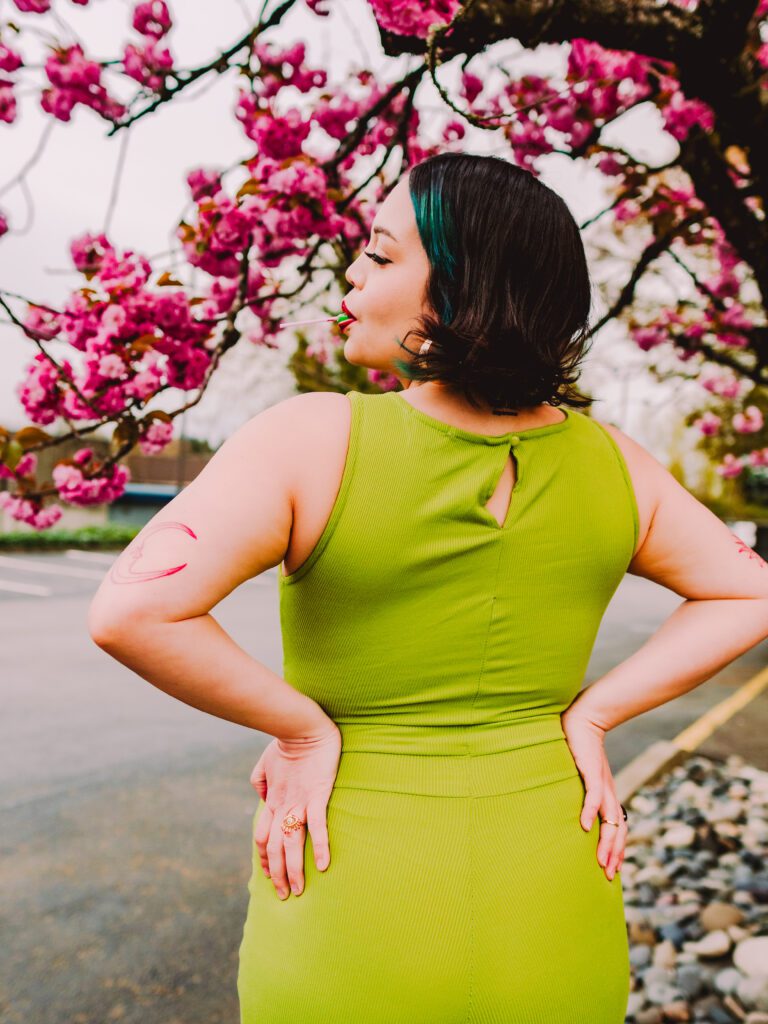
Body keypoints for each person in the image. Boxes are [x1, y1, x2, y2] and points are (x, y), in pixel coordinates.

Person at [87, 152, 768, 1023]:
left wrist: (299, 731)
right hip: (556, 900)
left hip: (348, 899)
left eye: (376, 256)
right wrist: (594, 714)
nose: (349, 274)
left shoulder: (311, 437)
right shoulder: (619, 466)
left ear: (457, 292)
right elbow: (747, 593)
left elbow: (133, 611)